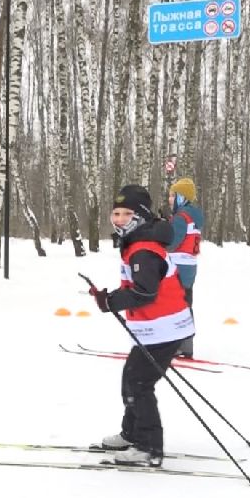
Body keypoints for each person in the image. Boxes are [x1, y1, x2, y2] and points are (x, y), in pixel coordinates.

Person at [88, 184, 195, 467]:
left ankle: (148, 446)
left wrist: (110, 302)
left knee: (139, 383)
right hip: (156, 328)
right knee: (131, 379)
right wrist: (110, 299)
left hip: (166, 328)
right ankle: (132, 433)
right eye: (116, 213)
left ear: (141, 216)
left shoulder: (144, 249)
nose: (119, 219)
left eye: (126, 214)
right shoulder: (137, 243)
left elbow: (145, 293)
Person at [166, 178, 204, 358]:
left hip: (177, 268)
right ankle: (186, 345)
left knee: (174, 305)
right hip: (189, 268)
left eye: (173, 195)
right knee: (185, 304)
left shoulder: (181, 217)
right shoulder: (194, 216)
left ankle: (176, 344)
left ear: (183, 197)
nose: (170, 199)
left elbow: (172, 243)